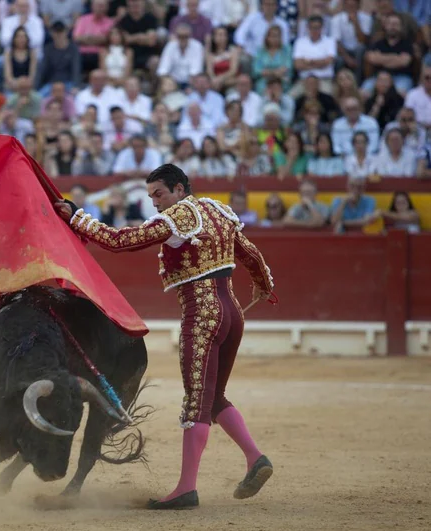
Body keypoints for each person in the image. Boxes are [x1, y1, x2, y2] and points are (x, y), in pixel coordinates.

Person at [54, 164, 276, 510]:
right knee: (214, 397)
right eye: (150, 196)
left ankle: (186, 488)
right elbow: (250, 254)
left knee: (195, 402)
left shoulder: (178, 217)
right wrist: (264, 286)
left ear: (179, 189)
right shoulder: (219, 211)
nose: (155, 202)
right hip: (232, 312)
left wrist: (76, 218)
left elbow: (119, 241)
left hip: (202, 313)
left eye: (159, 194)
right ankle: (255, 458)